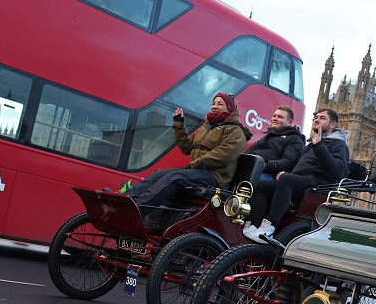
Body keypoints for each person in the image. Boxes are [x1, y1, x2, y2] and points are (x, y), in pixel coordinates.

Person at [126, 92, 247, 210]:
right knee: (157, 175)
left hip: (214, 176)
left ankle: (137, 209)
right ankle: (124, 199)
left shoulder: (235, 131)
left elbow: (223, 155)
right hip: (197, 170)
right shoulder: (207, 127)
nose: (215, 107)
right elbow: (187, 148)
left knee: (176, 177)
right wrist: (179, 125)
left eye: (220, 104)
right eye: (213, 103)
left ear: (230, 108)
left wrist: (195, 164)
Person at [243, 108, 349, 241]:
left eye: (322, 118)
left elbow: (337, 171)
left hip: (317, 186)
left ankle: (269, 226)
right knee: (259, 185)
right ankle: (254, 224)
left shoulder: (339, 145)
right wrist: (286, 173)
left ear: (333, 124)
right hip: (300, 182)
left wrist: (320, 146)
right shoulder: (312, 144)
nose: (317, 119)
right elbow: (300, 167)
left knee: (288, 179)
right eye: (316, 117)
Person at [244, 106, 305, 182]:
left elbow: (289, 162)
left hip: (269, 175)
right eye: (274, 116)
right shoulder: (267, 136)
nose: (275, 119)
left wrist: (265, 164)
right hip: (252, 168)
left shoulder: (295, 139)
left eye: (280, 117)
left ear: (289, 122)